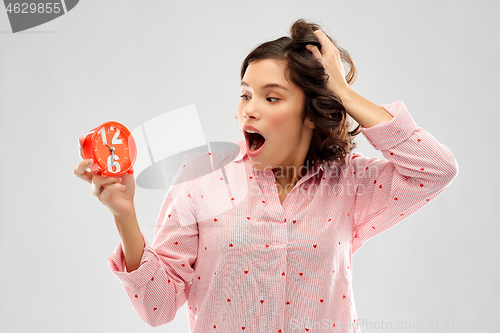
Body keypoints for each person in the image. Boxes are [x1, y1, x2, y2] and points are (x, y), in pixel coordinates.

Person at [74, 19, 458, 333]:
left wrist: (340, 90)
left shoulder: (348, 185)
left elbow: (435, 169)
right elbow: (157, 308)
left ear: (310, 114)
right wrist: (125, 216)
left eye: (271, 98)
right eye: (245, 95)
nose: (249, 111)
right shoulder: (201, 178)